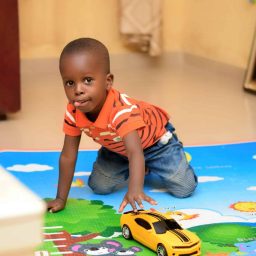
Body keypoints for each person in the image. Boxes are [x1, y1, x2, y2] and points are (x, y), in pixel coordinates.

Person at [47, 38, 198, 213]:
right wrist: (60, 198)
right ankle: (141, 167)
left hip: (156, 144)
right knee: (99, 186)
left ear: (108, 81)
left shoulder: (121, 110)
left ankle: (169, 158)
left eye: (87, 80)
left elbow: (136, 152)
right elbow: (68, 156)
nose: (78, 90)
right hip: (119, 149)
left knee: (184, 188)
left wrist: (134, 190)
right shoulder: (73, 111)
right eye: (70, 83)